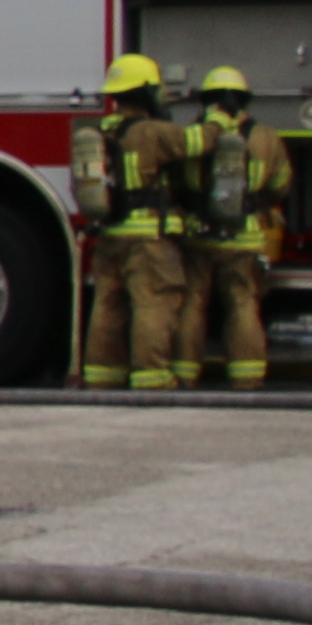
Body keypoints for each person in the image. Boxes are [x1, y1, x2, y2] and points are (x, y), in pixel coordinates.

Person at [74, 54, 198, 394]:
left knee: (108, 307)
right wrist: (217, 119)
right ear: (143, 92)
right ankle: (152, 377)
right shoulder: (154, 132)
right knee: (153, 304)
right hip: (147, 241)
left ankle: (102, 377)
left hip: (110, 236)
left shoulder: (103, 131)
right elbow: (197, 143)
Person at [190, 64, 283, 390]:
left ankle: (185, 374)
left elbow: (177, 182)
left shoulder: (196, 137)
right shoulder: (265, 137)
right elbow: (282, 184)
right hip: (245, 237)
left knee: (193, 304)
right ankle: (247, 378)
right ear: (244, 100)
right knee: (242, 304)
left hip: (200, 236)